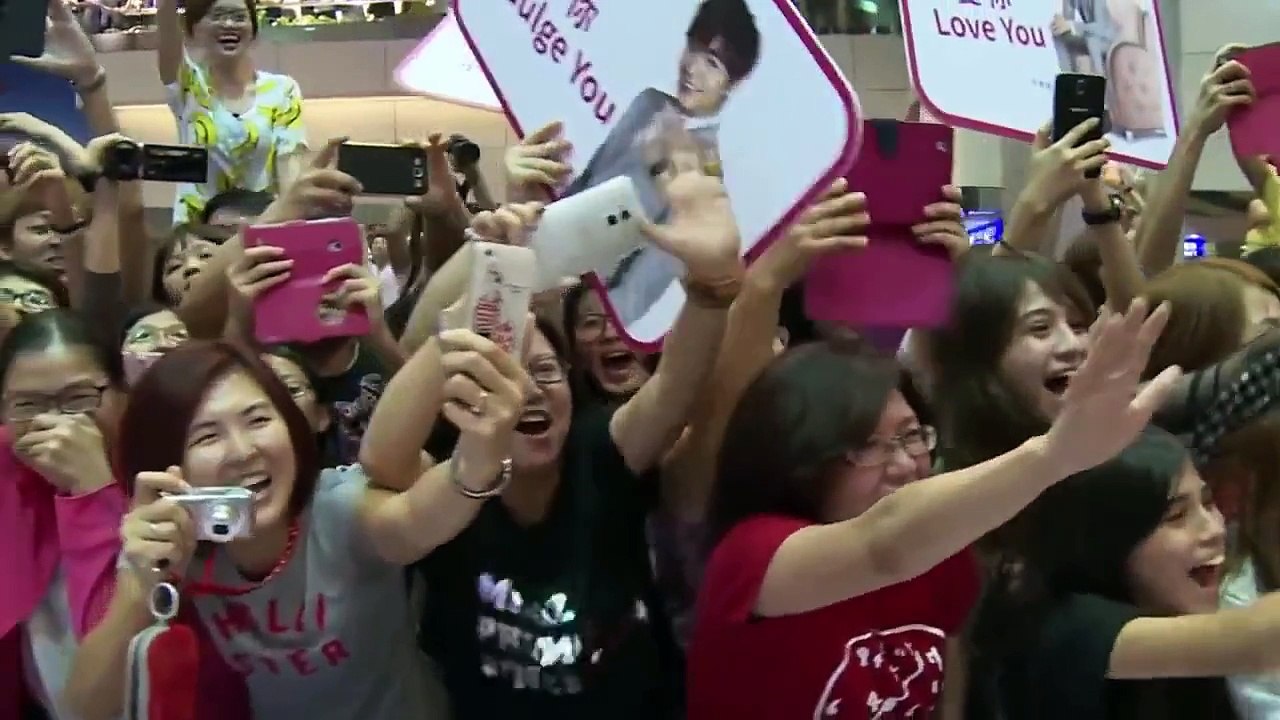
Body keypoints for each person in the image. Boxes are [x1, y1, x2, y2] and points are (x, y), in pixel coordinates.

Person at [687, 298, 1179, 719]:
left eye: (910, 435)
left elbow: (942, 694)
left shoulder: (943, 558)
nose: (903, 463)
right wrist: (1055, 454)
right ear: (796, 458)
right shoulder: (752, 554)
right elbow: (884, 544)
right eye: (866, 444)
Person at [64, 341, 451, 720]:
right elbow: (85, 709)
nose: (244, 451)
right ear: (169, 467)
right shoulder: (179, 544)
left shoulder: (337, 506)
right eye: (207, 436)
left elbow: (414, 520)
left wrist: (478, 461)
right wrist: (139, 584)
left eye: (258, 420)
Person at [967, 427, 1280, 718]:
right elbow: (1254, 638)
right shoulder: (1063, 627)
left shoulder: (1179, 614)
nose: (1215, 529)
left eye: (1208, 503)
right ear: (1108, 539)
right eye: (1177, 516)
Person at [561, 0, 761, 327]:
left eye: (711, 63)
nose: (691, 68)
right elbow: (585, 179)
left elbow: (638, 290)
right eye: (692, 48)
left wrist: (583, 316)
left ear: (732, 84)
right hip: (547, 257)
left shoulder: (705, 171)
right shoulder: (648, 103)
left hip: (584, 311)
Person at [0, 310, 128, 720]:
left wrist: (95, 491)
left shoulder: (160, 464)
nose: (55, 423)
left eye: (79, 399)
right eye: (27, 404)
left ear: (122, 395)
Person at [154, 0, 307, 224]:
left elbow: (290, 172)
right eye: (217, 16)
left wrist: (290, 224)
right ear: (192, 29)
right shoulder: (188, 85)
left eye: (238, 17)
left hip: (261, 231)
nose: (228, 24)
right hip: (197, 238)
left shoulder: (282, 90)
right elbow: (166, 26)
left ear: (254, 31)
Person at [1051, 0, 1118, 75]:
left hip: (1113, 43)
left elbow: (1105, 30)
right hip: (1091, 39)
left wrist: (1071, 26)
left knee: (1090, 47)